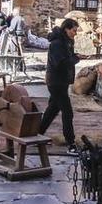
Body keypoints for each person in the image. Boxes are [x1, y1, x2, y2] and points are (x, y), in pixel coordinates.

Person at [39, 18, 80, 151]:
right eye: (74, 30)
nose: (75, 33)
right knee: (67, 112)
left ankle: (36, 135)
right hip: (55, 82)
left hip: (62, 81)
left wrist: (74, 57)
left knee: (52, 110)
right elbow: (60, 63)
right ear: (66, 29)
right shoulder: (57, 43)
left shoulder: (68, 41)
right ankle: (71, 143)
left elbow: (68, 58)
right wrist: (75, 59)